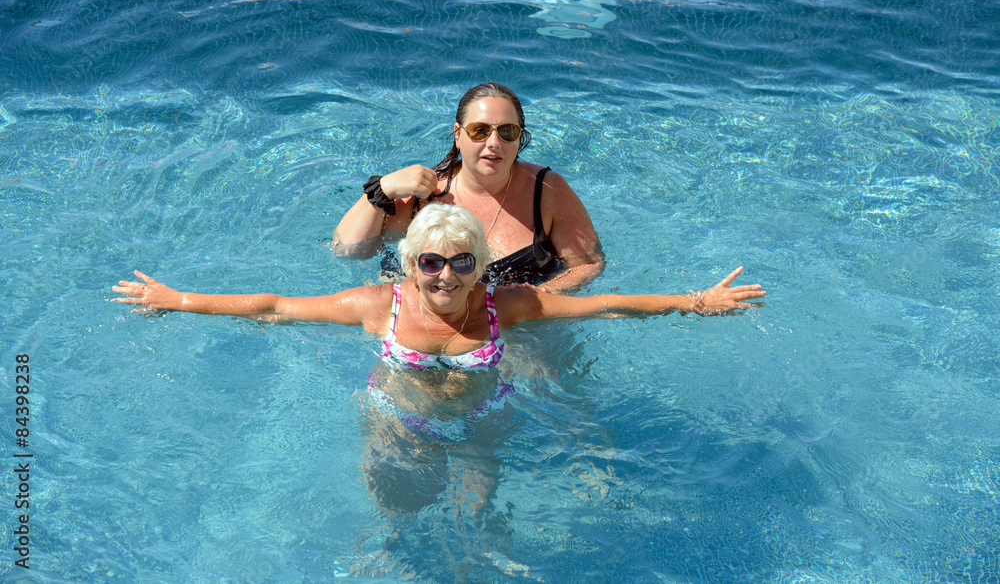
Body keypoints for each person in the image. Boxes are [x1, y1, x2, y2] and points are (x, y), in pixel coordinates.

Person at [112, 203, 764, 579]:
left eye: (461, 261)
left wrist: (694, 301)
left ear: (480, 263)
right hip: (397, 414)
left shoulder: (507, 306)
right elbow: (277, 306)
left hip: (482, 415)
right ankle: (383, 553)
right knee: (396, 506)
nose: (446, 275)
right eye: (430, 261)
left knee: (474, 524)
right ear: (411, 263)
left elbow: (610, 305)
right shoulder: (377, 305)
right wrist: (178, 299)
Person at [331, 82, 604, 292]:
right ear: (458, 135)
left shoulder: (546, 191)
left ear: (520, 139)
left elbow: (589, 264)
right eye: (479, 131)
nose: (494, 143)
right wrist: (383, 188)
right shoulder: (424, 196)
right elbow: (348, 251)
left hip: (518, 329)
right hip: (424, 321)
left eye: (507, 131)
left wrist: (539, 295)